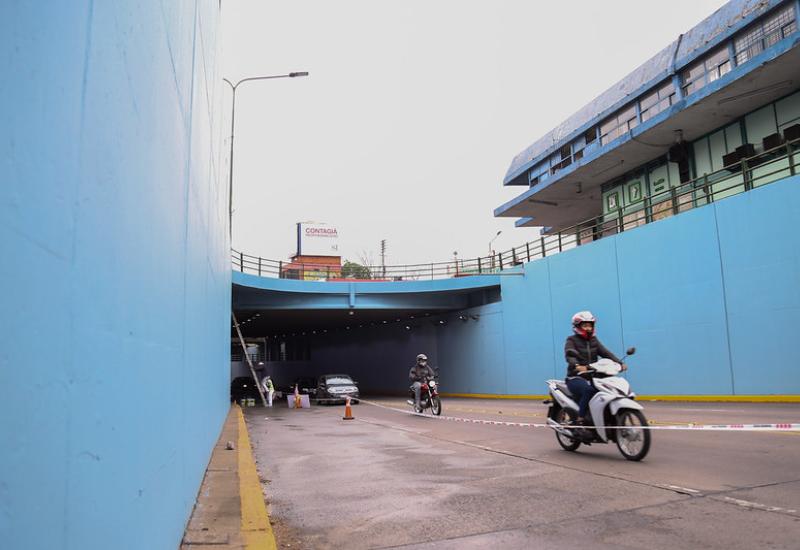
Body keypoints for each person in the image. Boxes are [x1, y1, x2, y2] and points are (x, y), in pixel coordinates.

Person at [564, 311, 626, 425]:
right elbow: (569, 354)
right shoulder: (571, 340)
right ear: (577, 326)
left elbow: (606, 353)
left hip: (593, 375)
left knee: (608, 388)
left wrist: (619, 362)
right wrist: (577, 366)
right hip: (575, 377)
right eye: (585, 325)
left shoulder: (594, 340)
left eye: (590, 325)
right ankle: (581, 418)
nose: (588, 328)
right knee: (589, 390)